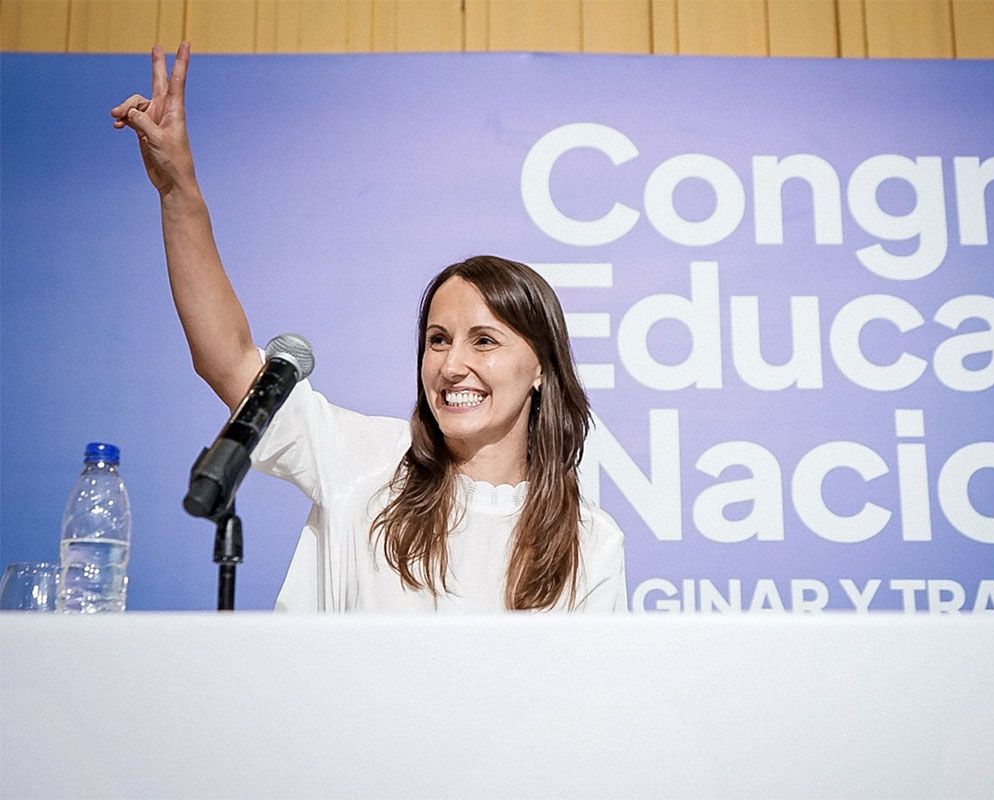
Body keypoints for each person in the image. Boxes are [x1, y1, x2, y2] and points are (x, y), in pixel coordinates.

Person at [112, 43, 628, 612]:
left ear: (541, 368)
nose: (452, 365)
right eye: (437, 340)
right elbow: (228, 360)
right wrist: (178, 191)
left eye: (484, 340)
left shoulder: (591, 542)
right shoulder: (366, 459)